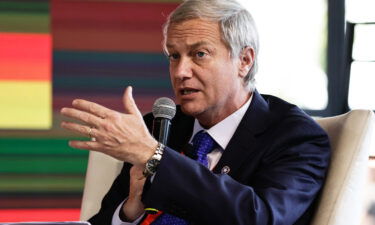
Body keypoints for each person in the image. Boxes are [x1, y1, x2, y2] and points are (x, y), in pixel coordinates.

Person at [60, 0, 331, 224]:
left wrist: (155, 156)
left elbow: (260, 217)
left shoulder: (296, 136)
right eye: (174, 56)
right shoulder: (159, 125)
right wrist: (131, 212)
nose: (180, 72)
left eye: (199, 54)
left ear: (244, 61)